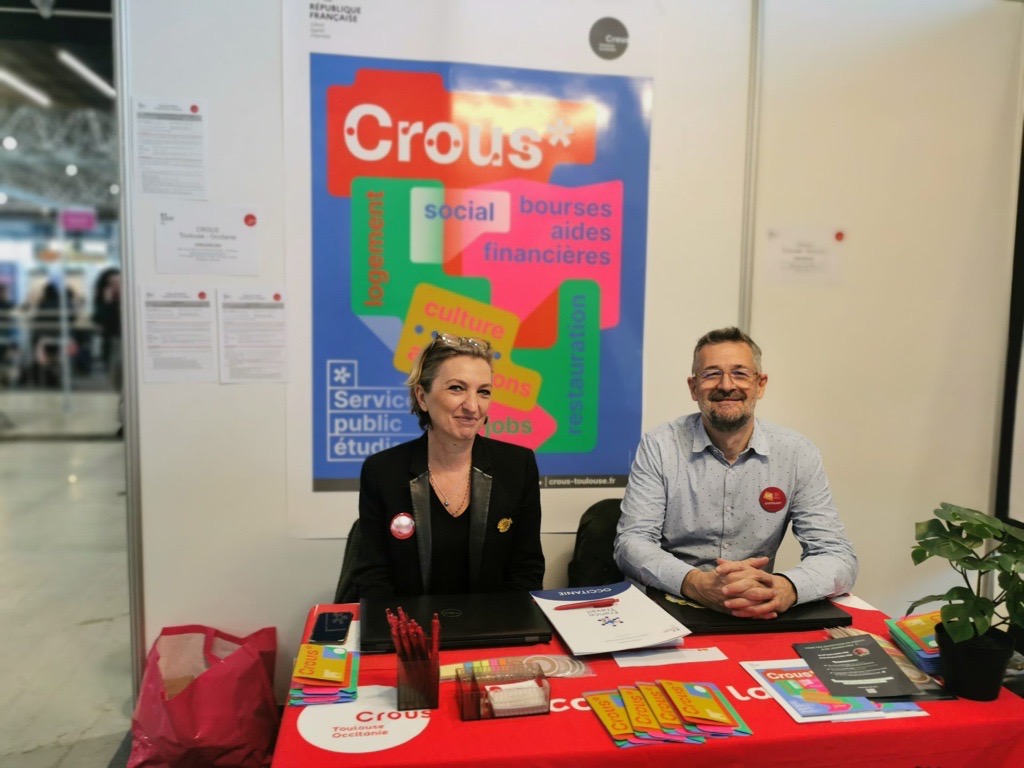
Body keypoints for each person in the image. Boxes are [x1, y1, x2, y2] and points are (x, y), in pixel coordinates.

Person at [613, 326, 857, 620]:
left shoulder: (796, 453)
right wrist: (695, 583)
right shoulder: (660, 446)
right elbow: (632, 542)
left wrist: (785, 588)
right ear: (693, 387)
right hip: (673, 605)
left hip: (758, 606)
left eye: (740, 373)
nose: (727, 385)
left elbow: (836, 554)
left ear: (761, 384)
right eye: (712, 374)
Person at [352, 332, 545, 597]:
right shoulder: (383, 471)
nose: (472, 406)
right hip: (413, 631)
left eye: (484, 392)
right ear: (422, 396)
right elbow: (374, 578)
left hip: (493, 628)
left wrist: (497, 631)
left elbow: (526, 572)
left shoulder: (517, 466)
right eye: (457, 388)